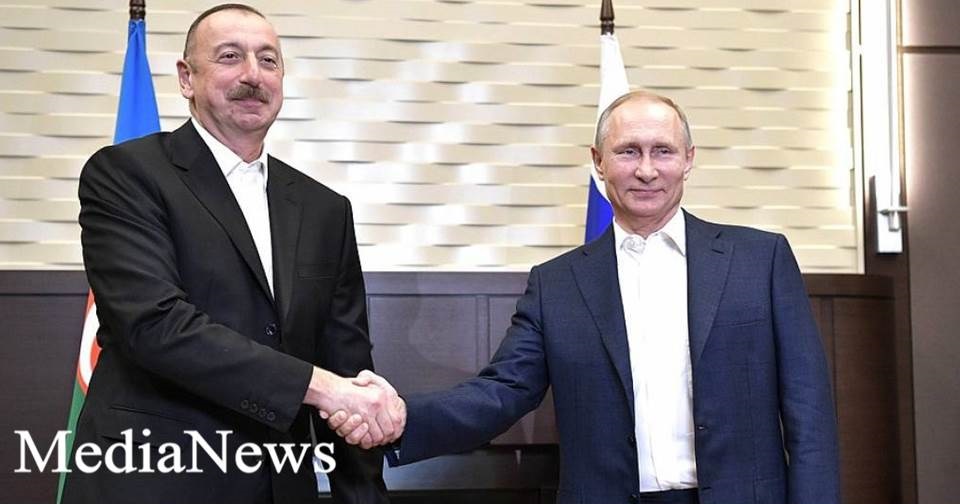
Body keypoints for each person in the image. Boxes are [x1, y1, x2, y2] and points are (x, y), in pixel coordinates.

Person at [331, 90, 840, 504]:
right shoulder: (557, 285)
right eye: (628, 151)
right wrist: (402, 416)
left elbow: (809, 413)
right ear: (598, 162)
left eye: (663, 151)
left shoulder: (761, 260)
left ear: (689, 159)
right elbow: (502, 392)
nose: (646, 169)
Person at [63, 4, 403, 504]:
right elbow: (156, 326)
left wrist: (364, 494)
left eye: (268, 60)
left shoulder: (326, 209)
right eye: (229, 57)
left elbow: (346, 359)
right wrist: (324, 388)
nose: (252, 75)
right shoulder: (125, 174)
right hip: (154, 478)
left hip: (281, 485)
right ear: (187, 78)